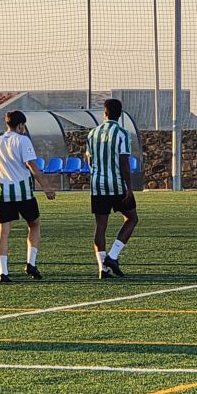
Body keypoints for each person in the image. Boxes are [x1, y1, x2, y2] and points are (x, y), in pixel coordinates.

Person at [0, 110, 55, 282]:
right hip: (23, 192)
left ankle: (3, 273)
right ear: (21, 125)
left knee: (3, 232)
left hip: (2, 194)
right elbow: (31, 164)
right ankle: (31, 263)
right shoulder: (22, 140)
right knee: (34, 224)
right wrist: (46, 186)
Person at [86, 98, 138, 279]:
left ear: (105, 113)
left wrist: (96, 173)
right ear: (120, 114)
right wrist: (129, 187)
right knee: (131, 218)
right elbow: (124, 163)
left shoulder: (92, 133)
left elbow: (89, 159)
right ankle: (113, 256)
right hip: (117, 184)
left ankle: (102, 268)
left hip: (97, 185)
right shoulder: (122, 134)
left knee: (101, 225)